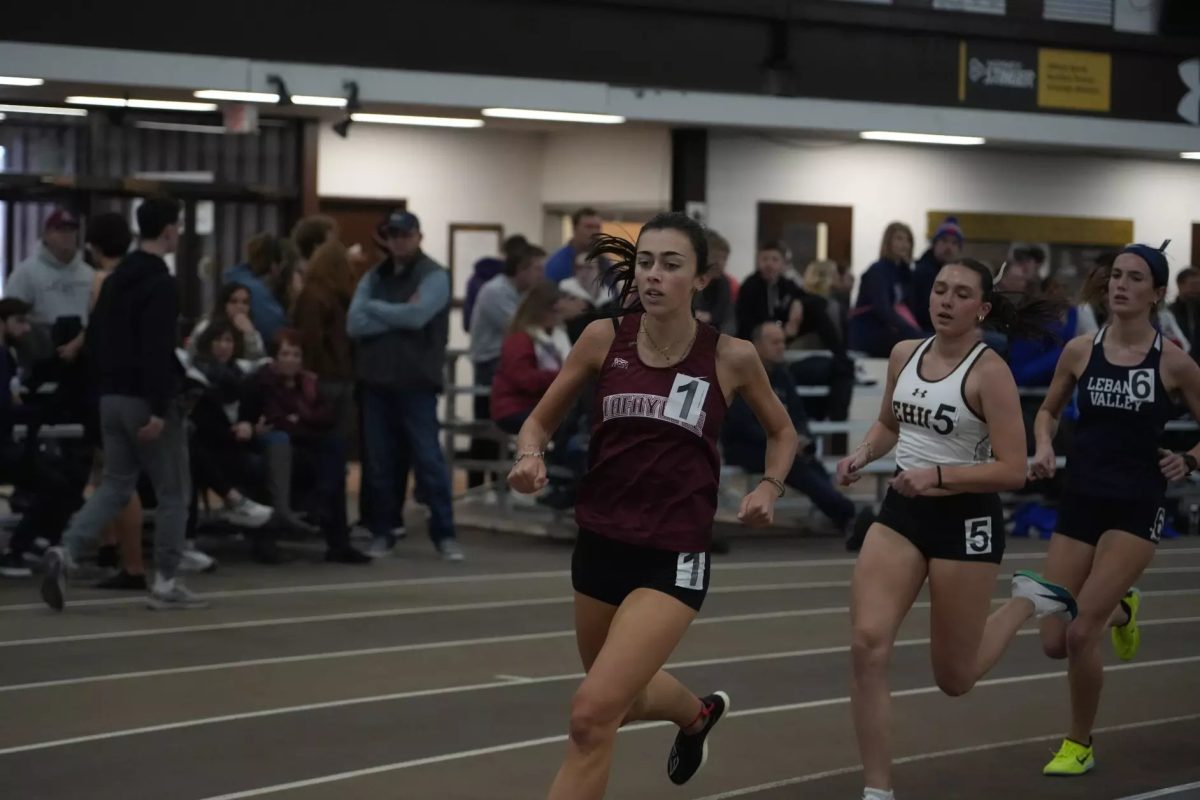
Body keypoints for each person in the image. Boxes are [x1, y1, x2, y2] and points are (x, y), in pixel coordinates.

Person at [507, 211, 798, 799]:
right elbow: (538, 421)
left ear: (701, 279)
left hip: (673, 555)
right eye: (645, 263)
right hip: (600, 544)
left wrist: (769, 487)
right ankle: (695, 715)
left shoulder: (731, 356)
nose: (654, 276)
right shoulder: (601, 338)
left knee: (592, 715)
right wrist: (530, 456)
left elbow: (783, 433)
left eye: (671, 265)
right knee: (622, 695)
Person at [835, 257, 1078, 800]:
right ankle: (877, 790)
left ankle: (1026, 602)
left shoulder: (990, 373)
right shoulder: (905, 353)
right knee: (867, 646)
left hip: (965, 522)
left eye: (961, 293)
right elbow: (889, 424)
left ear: (982, 309)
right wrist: (862, 454)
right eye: (940, 290)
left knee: (955, 678)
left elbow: (1014, 469)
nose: (945, 300)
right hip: (902, 514)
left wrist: (939, 475)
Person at [1028, 243, 1200, 777]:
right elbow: (1048, 410)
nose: (1120, 285)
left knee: (1082, 633)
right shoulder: (1081, 350)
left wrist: (1190, 460)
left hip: (1136, 503)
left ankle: (1079, 742)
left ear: (1157, 293)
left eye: (1134, 278)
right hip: (1081, 498)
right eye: (1115, 276)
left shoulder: (1173, 361)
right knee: (1054, 639)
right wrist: (1043, 444)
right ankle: (1125, 608)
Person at [41, 197, 204, 611]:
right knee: (173, 492)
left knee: (115, 484)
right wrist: (158, 405)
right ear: (168, 230)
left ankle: (68, 552)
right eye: (178, 226)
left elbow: (95, 338)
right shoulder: (162, 283)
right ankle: (166, 581)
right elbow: (155, 347)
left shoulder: (113, 279)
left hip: (109, 398)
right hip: (144, 400)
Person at [347, 209, 463, 562]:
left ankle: (445, 534)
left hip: (416, 383)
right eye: (394, 235)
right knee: (379, 463)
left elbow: (419, 315)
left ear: (418, 236)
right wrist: (399, 313)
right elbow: (354, 323)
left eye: (405, 234)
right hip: (376, 381)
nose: (399, 240)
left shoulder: (434, 275)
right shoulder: (374, 274)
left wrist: (376, 309)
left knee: (428, 460)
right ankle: (383, 531)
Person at [723, 322, 863, 540]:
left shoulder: (782, 375)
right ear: (757, 346)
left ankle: (839, 513)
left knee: (807, 460)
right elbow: (740, 425)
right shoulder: (742, 374)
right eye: (775, 342)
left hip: (778, 443)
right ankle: (849, 513)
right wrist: (784, 443)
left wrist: (803, 439)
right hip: (745, 447)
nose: (781, 347)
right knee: (794, 463)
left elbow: (798, 415)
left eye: (783, 342)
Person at [259, 330, 370, 564]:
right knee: (329, 461)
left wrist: (299, 418)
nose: (291, 360)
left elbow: (326, 416)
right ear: (275, 357)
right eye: (285, 354)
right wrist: (305, 419)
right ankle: (329, 525)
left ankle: (334, 535)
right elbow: (276, 419)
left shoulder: (309, 382)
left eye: (296, 355)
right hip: (279, 447)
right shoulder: (265, 382)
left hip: (308, 442)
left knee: (334, 449)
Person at [849, 222, 922, 357]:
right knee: (919, 342)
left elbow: (910, 306)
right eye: (899, 238)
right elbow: (882, 309)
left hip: (887, 328)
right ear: (888, 242)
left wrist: (908, 272)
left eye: (908, 240)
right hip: (869, 330)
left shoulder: (902, 272)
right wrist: (910, 330)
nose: (905, 244)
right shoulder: (878, 270)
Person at [909, 216, 965, 333]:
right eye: (944, 240)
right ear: (934, 244)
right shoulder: (924, 272)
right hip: (927, 330)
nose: (948, 247)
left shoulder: (956, 272)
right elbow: (926, 312)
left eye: (954, 243)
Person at [190, 283, 268, 361]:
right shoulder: (206, 326)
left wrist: (250, 334)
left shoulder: (251, 330)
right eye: (234, 301)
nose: (240, 307)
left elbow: (258, 361)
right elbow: (191, 355)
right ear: (224, 304)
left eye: (245, 302)